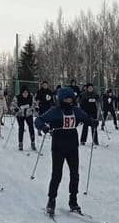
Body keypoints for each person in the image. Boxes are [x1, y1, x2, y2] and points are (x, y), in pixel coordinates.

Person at [34, 87, 96, 215]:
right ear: (61, 99)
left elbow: (86, 118)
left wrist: (92, 122)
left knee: (75, 174)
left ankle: (73, 200)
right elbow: (38, 120)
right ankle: (51, 200)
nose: (69, 100)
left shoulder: (76, 110)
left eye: (71, 98)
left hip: (72, 145)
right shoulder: (55, 111)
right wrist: (44, 127)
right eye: (67, 98)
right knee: (57, 174)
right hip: (58, 145)